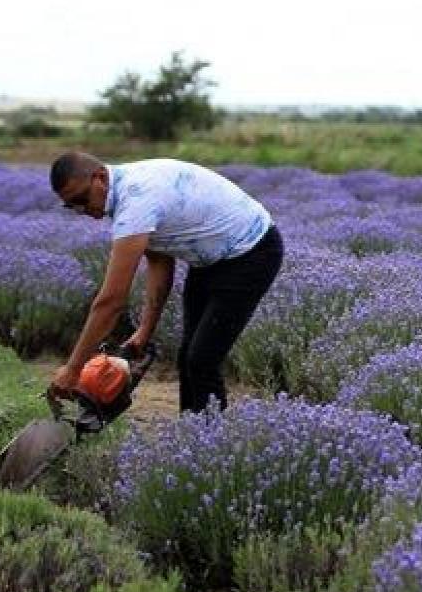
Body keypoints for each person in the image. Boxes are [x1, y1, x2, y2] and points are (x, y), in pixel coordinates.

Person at [48, 151, 282, 414]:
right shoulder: (125, 192)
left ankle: (209, 442)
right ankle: (195, 435)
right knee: (188, 358)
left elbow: (111, 301)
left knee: (202, 359)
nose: (81, 210)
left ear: (100, 178)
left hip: (251, 253)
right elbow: (159, 262)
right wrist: (146, 329)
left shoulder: (136, 201)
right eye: (71, 206)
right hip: (210, 261)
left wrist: (73, 369)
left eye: (81, 199)